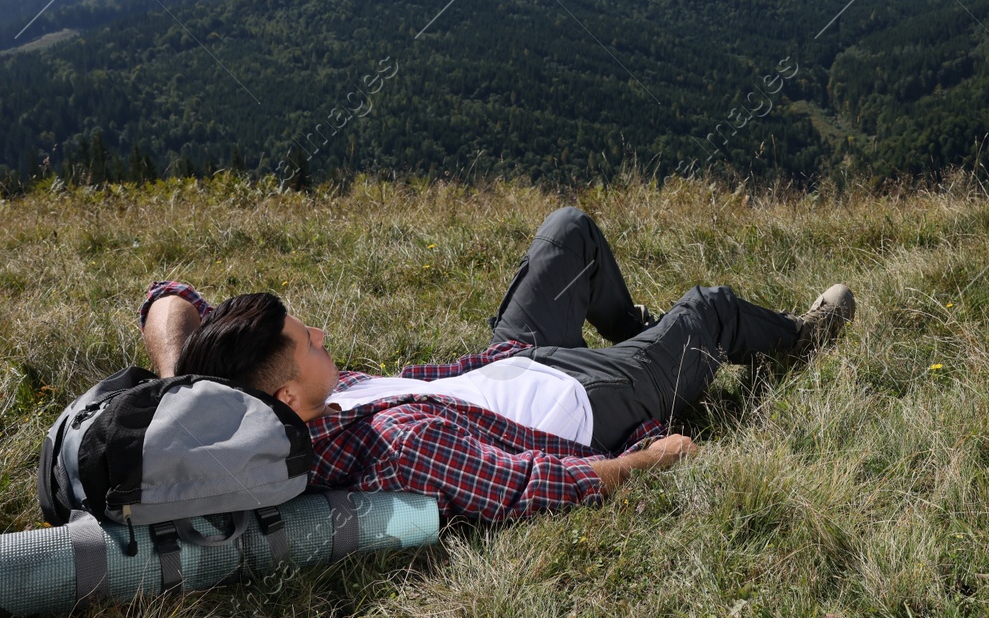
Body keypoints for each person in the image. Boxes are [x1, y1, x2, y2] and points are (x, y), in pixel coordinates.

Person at [145, 206, 854, 522]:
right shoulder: (395, 445)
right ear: (289, 390)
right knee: (710, 310)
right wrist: (649, 459)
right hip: (581, 400)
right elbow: (526, 484)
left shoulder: (284, 398)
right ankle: (799, 336)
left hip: (513, 359)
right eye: (313, 343)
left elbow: (168, 295)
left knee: (568, 230)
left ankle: (642, 333)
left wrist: (183, 385)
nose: (325, 335)